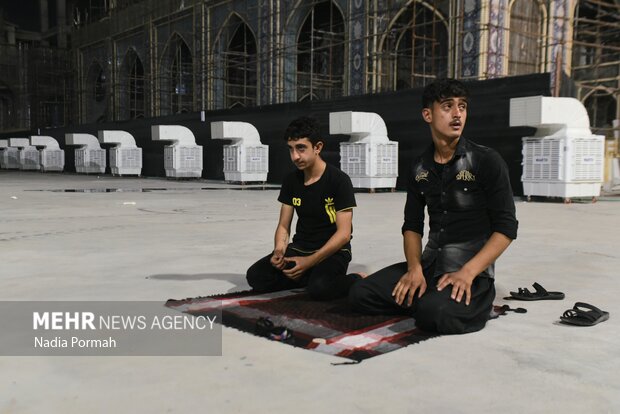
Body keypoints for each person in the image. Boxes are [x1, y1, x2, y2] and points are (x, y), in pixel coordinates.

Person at [348, 79, 518, 334]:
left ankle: (467, 302)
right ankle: (428, 295)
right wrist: (414, 269)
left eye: (462, 106)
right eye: (448, 106)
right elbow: (412, 227)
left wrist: (468, 272)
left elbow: (506, 228)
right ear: (428, 114)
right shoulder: (420, 167)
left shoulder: (486, 161)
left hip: (470, 272)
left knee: (434, 313)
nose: (457, 113)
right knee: (359, 294)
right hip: (428, 267)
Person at [246, 116, 360, 300]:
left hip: (333, 252)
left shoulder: (339, 180)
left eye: (301, 148)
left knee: (320, 289)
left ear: (318, 147)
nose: (295, 156)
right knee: (256, 276)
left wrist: (308, 262)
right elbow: (284, 225)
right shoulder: (291, 181)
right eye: (291, 149)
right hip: (301, 248)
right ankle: (307, 275)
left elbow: (344, 234)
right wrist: (279, 251)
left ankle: (356, 279)